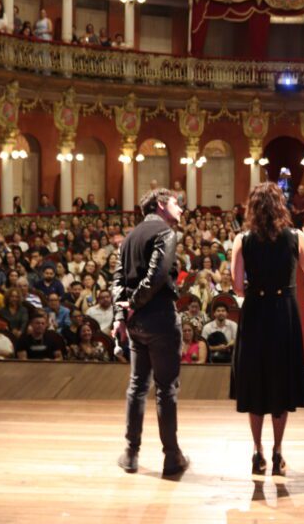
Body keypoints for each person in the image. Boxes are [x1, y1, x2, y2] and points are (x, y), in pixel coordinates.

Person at [230, 183, 304, 477]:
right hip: (283, 313)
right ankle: (278, 451)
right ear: (281, 205)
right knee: (280, 381)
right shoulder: (296, 236)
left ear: (252, 208)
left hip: (256, 312)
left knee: (256, 381)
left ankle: (257, 452)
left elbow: (237, 286)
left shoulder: (242, 239)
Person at [112, 188, 189, 476]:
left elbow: (117, 280)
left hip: (136, 324)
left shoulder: (128, 238)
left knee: (137, 386)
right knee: (166, 389)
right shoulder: (165, 232)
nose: (181, 209)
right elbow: (157, 275)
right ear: (160, 205)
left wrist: (121, 314)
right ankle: (172, 457)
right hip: (160, 318)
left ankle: (131, 453)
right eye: (176, 203)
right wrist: (133, 304)